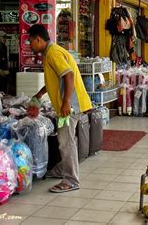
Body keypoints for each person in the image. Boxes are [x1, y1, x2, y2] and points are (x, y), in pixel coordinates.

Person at [27, 24, 92, 193]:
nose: (30, 45)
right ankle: (62, 169)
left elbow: (68, 75)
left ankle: (71, 180)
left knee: (65, 142)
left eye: (30, 41)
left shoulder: (53, 53)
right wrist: (40, 95)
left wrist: (66, 102)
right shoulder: (50, 53)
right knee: (66, 140)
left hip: (71, 106)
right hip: (70, 104)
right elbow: (55, 81)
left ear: (38, 39)